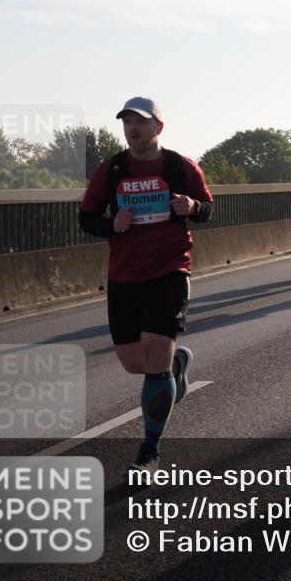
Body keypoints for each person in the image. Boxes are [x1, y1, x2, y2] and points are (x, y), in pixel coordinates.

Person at [79, 97, 213, 476]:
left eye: (140, 122)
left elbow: (207, 207)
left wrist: (193, 207)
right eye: (127, 122)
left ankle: (149, 451)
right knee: (134, 362)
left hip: (169, 271)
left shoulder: (180, 166)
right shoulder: (113, 169)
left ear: (158, 127)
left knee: (154, 358)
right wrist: (112, 224)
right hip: (124, 275)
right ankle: (176, 365)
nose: (132, 128)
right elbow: (86, 218)